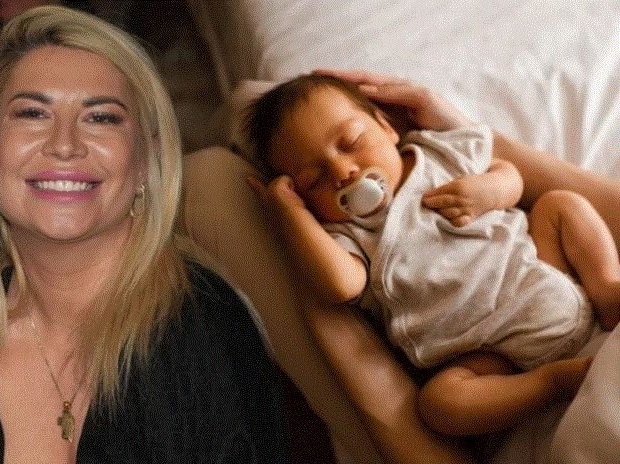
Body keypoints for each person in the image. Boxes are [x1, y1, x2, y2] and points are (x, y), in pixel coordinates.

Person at [0, 6, 286, 464]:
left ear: (146, 159)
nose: (65, 144)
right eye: (33, 113)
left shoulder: (210, 330)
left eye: (101, 118)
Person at [244, 72, 619, 438]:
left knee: (559, 205)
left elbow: (510, 172)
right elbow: (339, 284)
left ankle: (607, 292)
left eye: (351, 142)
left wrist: (491, 189)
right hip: (491, 355)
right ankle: (552, 382)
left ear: (386, 127)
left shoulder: (437, 155)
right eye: (314, 181)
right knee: (439, 404)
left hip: (544, 273)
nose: (343, 171)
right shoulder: (346, 236)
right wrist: (290, 212)